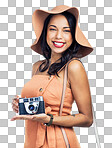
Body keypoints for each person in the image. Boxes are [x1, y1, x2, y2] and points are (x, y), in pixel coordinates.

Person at [11, 5, 94, 148]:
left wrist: (49, 119)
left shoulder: (73, 67)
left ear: (73, 35)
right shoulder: (37, 66)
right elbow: (40, 106)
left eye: (66, 31)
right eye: (53, 29)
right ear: (45, 32)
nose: (58, 36)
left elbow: (87, 118)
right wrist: (22, 105)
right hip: (32, 142)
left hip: (59, 142)